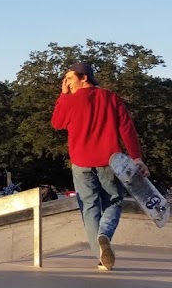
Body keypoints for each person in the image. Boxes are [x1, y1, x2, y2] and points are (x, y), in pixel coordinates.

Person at [50, 61, 149, 271]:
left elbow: (57, 123)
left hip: (81, 163)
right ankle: (104, 234)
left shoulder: (70, 100)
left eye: (69, 78)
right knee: (113, 202)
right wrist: (136, 157)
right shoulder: (110, 97)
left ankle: (100, 254)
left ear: (83, 77)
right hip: (109, 161)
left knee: (89, 208)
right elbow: (127, 128)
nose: (66, 83)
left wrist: (63, 97)